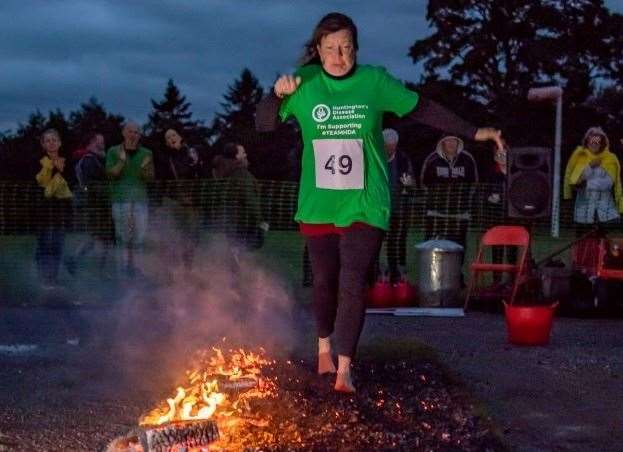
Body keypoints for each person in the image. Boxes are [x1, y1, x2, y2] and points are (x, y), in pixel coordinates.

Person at [256, 12, 503, 393]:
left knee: (354, 279)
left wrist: (474, 131)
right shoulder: (303, 83)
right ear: (318, 51)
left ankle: (344, 370)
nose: (340, 56)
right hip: (319, 202)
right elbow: (264, 124)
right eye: (332, 48)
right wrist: (275, 94)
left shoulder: (374, 81)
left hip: (367, 200)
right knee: (325, 280)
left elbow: (423, 109)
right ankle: (323, 346)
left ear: (356, 48)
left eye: (347, 48)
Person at [105, 122, 154, 278]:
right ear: (124, 133)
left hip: (140, 201)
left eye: (137, 132)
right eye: (131, 131)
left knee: (139, 237)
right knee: (122, 237)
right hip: (120, 200)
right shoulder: (113, 151)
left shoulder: (147, 153)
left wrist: (145, 168)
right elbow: (111, 174)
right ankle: (123, 275)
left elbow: (150, 178)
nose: (134, 134)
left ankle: (138, 272)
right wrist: (121, 161)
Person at [420, 135, 479, 263]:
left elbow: (474, 183)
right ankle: (433, 276)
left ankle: (457, 276)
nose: (451, 144)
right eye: (448, 141)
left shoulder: (467, 159)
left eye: (454, 141)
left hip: (460, 214)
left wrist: (466, 203)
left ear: (458, 143)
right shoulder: (432, 159)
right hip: (436, 214)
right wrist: (433, 202)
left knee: (458, 246)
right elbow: (423, 184)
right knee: (434, 244)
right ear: (442, 143)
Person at [65, 132, 113, 277]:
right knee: (102, 238)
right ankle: (99, 271)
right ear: (92, 142)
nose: (103, 143)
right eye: (101, 141)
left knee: (97, 238)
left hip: (93, 205)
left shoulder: (89, 159)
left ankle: (75, 261)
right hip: (94, 206)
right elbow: (91, 185)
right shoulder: (88, 160)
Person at [212, 142, 267, 266]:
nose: (246, 154)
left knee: (234, 253)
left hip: (230, 222)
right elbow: (250, 199)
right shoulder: (241, 174)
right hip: (244, 222)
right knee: (243, 257)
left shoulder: (223, 172)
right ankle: (240, 282)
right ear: (236, 156)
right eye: (243, 152)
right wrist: (261, 221)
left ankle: (230, 281)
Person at [158, 128, 204, 271]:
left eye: (173, 135)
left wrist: (197, 164)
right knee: (174, 235)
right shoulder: (166, 159)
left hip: (192, 202)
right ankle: (173, 269)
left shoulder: (191, 153)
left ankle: (187, 268)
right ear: (166, 143)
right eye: (168, 137)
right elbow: (162, 180)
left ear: (180, 137)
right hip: (174, 202)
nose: (171, 138)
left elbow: (201, 175)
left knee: (192, 236)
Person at [564, 126, 622, 232]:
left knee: (606, 244)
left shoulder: (610, 158)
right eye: (591, 141)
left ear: (602, 143)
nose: (594, 144)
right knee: (583, 243)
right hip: (583, 214)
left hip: (606, 213)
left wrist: (586, 183)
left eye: (597, 141)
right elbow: (574, 181)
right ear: (587, 142)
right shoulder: (579, 157)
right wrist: (590, 166)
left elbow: (608, 183)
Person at [34, 129, 73, 288]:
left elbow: (68, 186)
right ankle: (43, 277)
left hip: (60, 210)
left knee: (57, 244)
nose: (51, 143)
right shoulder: (38, 162)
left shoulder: (67, 162)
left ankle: (53, 278)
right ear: (43, 144)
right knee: (44, 244)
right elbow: (42, 185)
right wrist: (53, 175)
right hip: (42, 210)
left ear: (60, 143)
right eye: (48, 140)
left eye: (54, 140)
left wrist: (55, 184)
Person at [380, 128, 415, 283]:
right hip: (378, 208)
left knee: (398, 240)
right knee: (376, 242)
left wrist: (409, 183)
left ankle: (397, 273)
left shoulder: (402, 159)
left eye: (393, 145)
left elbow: (412, 181)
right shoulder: (375, 157)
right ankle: (377, 275)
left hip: (398, 207)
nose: (390, 148)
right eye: (387, 145)